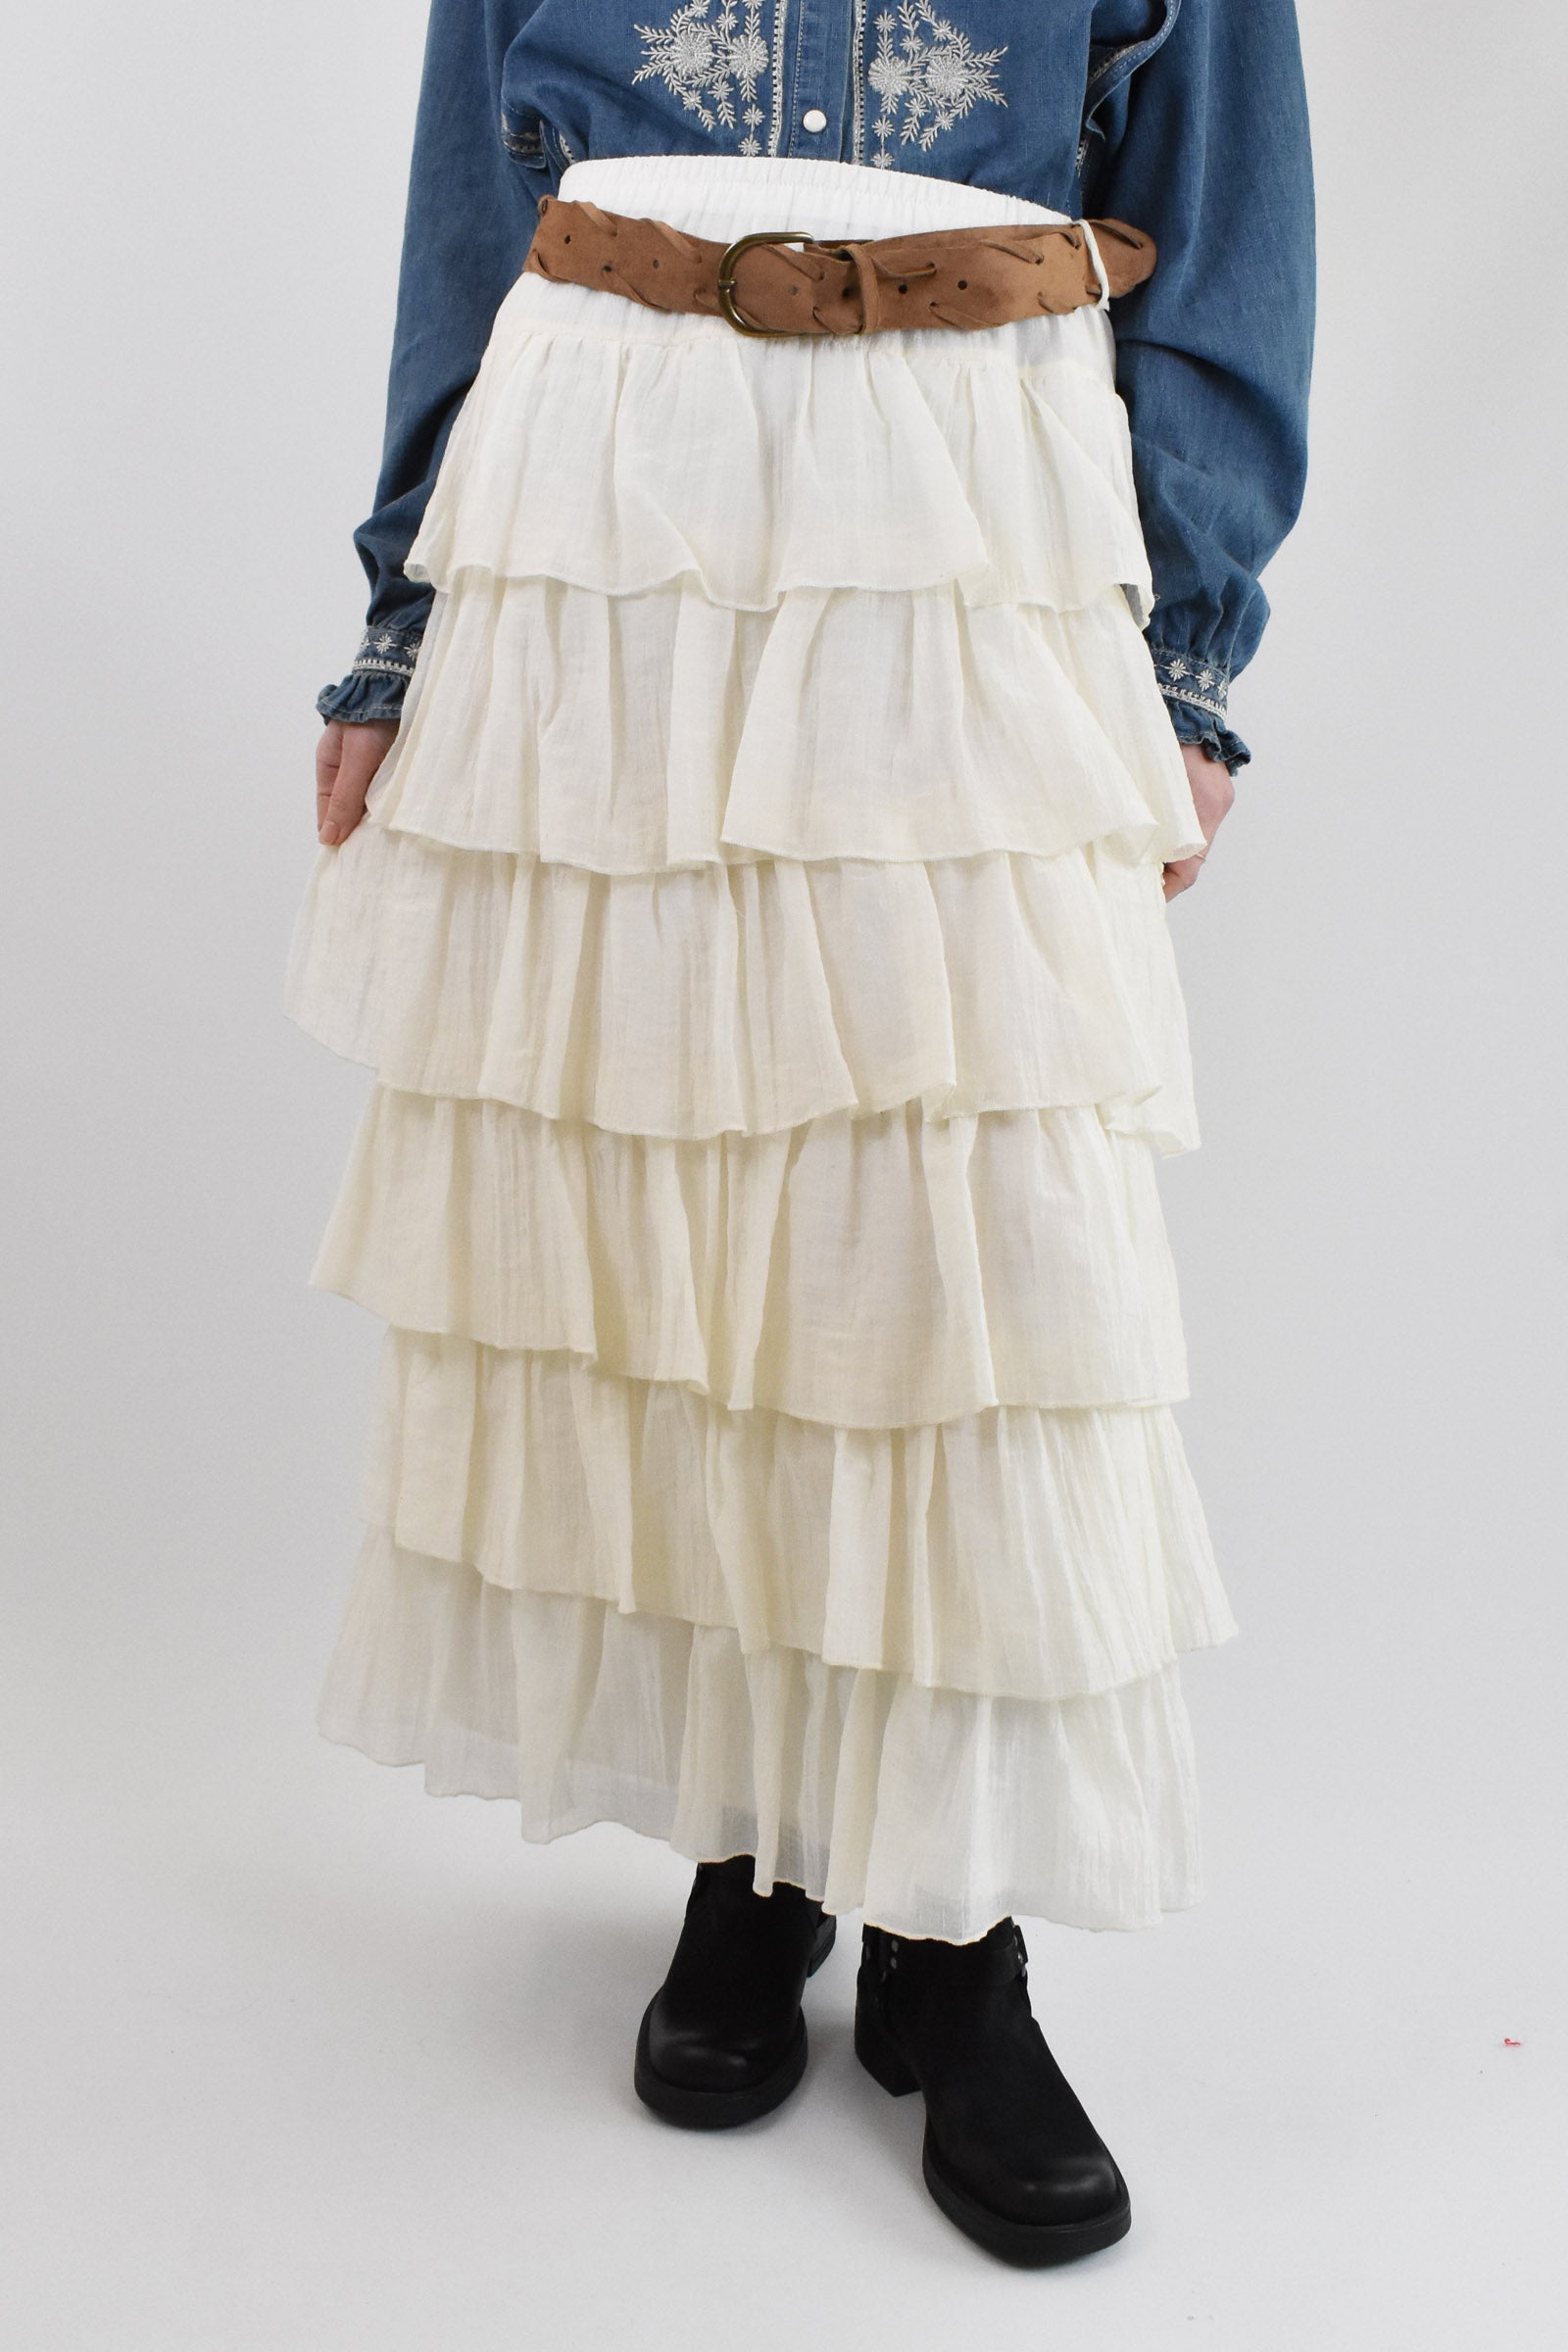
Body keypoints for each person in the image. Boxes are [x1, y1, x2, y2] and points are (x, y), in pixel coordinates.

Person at [288, 0, 1313, 2268]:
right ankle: (754, 1850)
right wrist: (406, 618)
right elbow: (474, 204)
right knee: (676, 1197)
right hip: (601, 498)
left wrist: (1185, 649)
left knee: (965, 1234)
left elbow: (1224, 208)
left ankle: (954, 1933)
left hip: (961, 504)